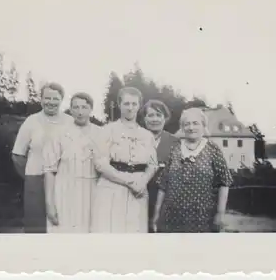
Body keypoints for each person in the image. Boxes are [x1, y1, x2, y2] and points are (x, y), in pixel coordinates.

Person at [152, 108, 233, 233]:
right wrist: (156, 214)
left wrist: (220, 213)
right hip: (170, 218)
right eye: (187, 124)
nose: (191, 127)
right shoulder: (175, 149)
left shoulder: (213, 149)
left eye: (195, 123)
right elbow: (163, 185)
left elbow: (224, 182)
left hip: (203, 219)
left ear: (203, 126)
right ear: (182, 128)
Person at [91, 87, 158, 233]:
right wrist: (128, 181)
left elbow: (153, 164)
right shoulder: (107, 130)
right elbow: (100, 163)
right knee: (110, 231)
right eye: (126, 104)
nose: (130, 108)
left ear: (139, 106)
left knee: (134, 233)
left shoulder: (147, 135)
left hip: (138, 190)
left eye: (134, 104)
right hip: (112, 187)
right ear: (119, 104)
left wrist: (142, 182)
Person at [11, 82, 73, 233]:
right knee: (36, 226)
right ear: (41, 99)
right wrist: (30, 177)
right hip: (35, 180)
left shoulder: (70, 122)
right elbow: (17, 155)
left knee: (63, 223)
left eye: (55, 98)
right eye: (47, 98)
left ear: (61, 99)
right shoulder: (31, 121)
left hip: (64, 181)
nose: (51, 102)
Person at [43, 92, 101, 233]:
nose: (80, 112)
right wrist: (50, 204)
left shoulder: (101, 133)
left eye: (84, 107)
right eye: (75, 107)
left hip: (93, 191)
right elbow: (49, 170)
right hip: (65, 191)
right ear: (70, 109)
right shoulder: (58, 133)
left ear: (91, 109)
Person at [139, 99, 178, 233]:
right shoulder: (136, 139)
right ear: (144, 119)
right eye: (150, 115)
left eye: (158, 115)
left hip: (166, 197)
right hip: (139, 193)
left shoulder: (175, 142)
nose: (154, 119)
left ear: (165, 118)